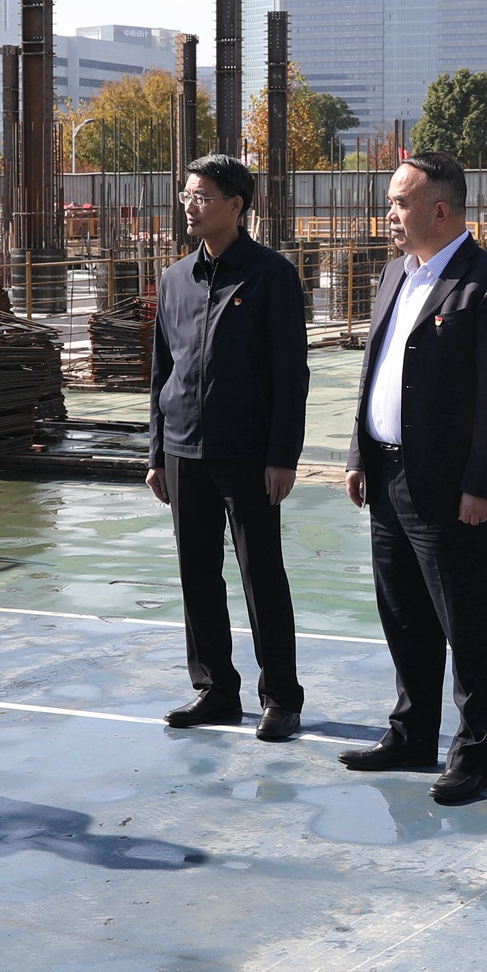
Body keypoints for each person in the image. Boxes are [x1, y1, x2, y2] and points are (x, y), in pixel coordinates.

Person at [338, 155, 487, 804]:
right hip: (387, 475)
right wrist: (358, 453)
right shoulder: (395, 274)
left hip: (451, 490)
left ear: (440, 210)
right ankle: (411, 733)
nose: (389, 214)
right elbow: (376, 369)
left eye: (400, 202)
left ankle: (474, 755)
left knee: (468, 625)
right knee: (404, 616)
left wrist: (483, 485)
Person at [146, 153, 309, 741]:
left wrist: (282, 457)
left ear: (236, 205)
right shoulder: (174, 279)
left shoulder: (270, 276)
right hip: (183, 451)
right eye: (187, 195)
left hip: (248, 455)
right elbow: (162, 370)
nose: (190, 206)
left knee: (261, 575)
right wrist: (156, 453)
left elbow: (291, 374)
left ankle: (281, 696)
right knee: (197, 575)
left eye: (203, 196)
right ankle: (215, 688)